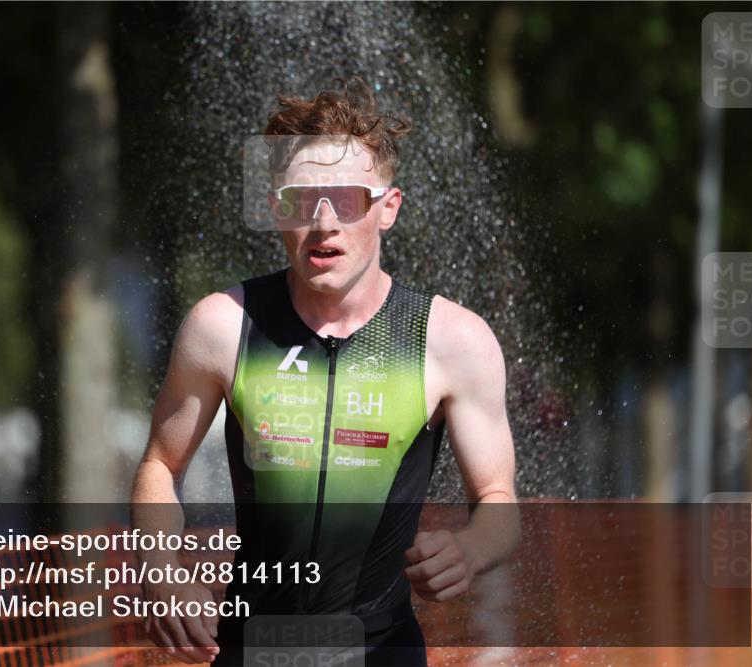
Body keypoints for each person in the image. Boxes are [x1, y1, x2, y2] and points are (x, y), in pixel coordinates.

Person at [130, 77, 519, 666]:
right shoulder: (223, 325)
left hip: (382, 649)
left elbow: (498, 500)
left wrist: (471, 549)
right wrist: (161, 571)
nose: (322, 223)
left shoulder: (451, 340)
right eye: (299, 201)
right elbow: (161, 462)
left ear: (388, 209)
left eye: (344, 200)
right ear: (274, 211)